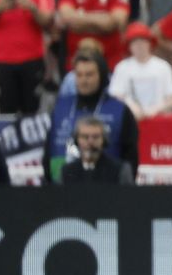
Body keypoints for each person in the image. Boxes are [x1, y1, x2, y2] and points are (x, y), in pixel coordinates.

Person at [45, 51, 138, 184]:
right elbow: (48, 148)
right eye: (79, 75)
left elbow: (131, 156)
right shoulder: (61, 107)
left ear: (101, 75)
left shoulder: (119, 109)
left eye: (89, 74)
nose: (84, 80)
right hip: (64, 188)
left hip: (109, 188)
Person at [108, 22, 172, 118]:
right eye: (135, 41)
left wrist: (155, 110)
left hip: (159, 121)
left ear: (150, 43)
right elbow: (116, 95)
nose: (139, 45)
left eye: (143, 40)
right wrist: (131, 107)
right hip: (130, 120)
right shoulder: (122, 67)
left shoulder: (163, 67)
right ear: (129, 45)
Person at [58, 114, 132, 184]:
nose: (90, 142)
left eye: (95, 137)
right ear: (76, 140)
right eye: (85, 137)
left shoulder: (120, 170)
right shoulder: (66, 171)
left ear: (104, 140)